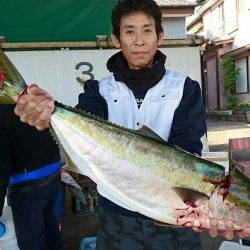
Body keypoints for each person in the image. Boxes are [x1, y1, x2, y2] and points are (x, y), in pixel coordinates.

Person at [14, 0, 250, 248]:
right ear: (116, 39)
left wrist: (209, 209)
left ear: (159, 36)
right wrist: (44, 115)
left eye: (147, 30)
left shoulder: (184, 88)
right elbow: (77, 132)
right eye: (129, 31)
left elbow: (187, 149)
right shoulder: (99, 90)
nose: (139, 40)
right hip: (116, 219)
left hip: (177, 223)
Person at [0, 104, 64, 250]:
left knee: (31, 240)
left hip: (28, 184)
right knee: (50, 227)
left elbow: (1, 167)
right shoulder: (23, 98)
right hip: (53, 173)